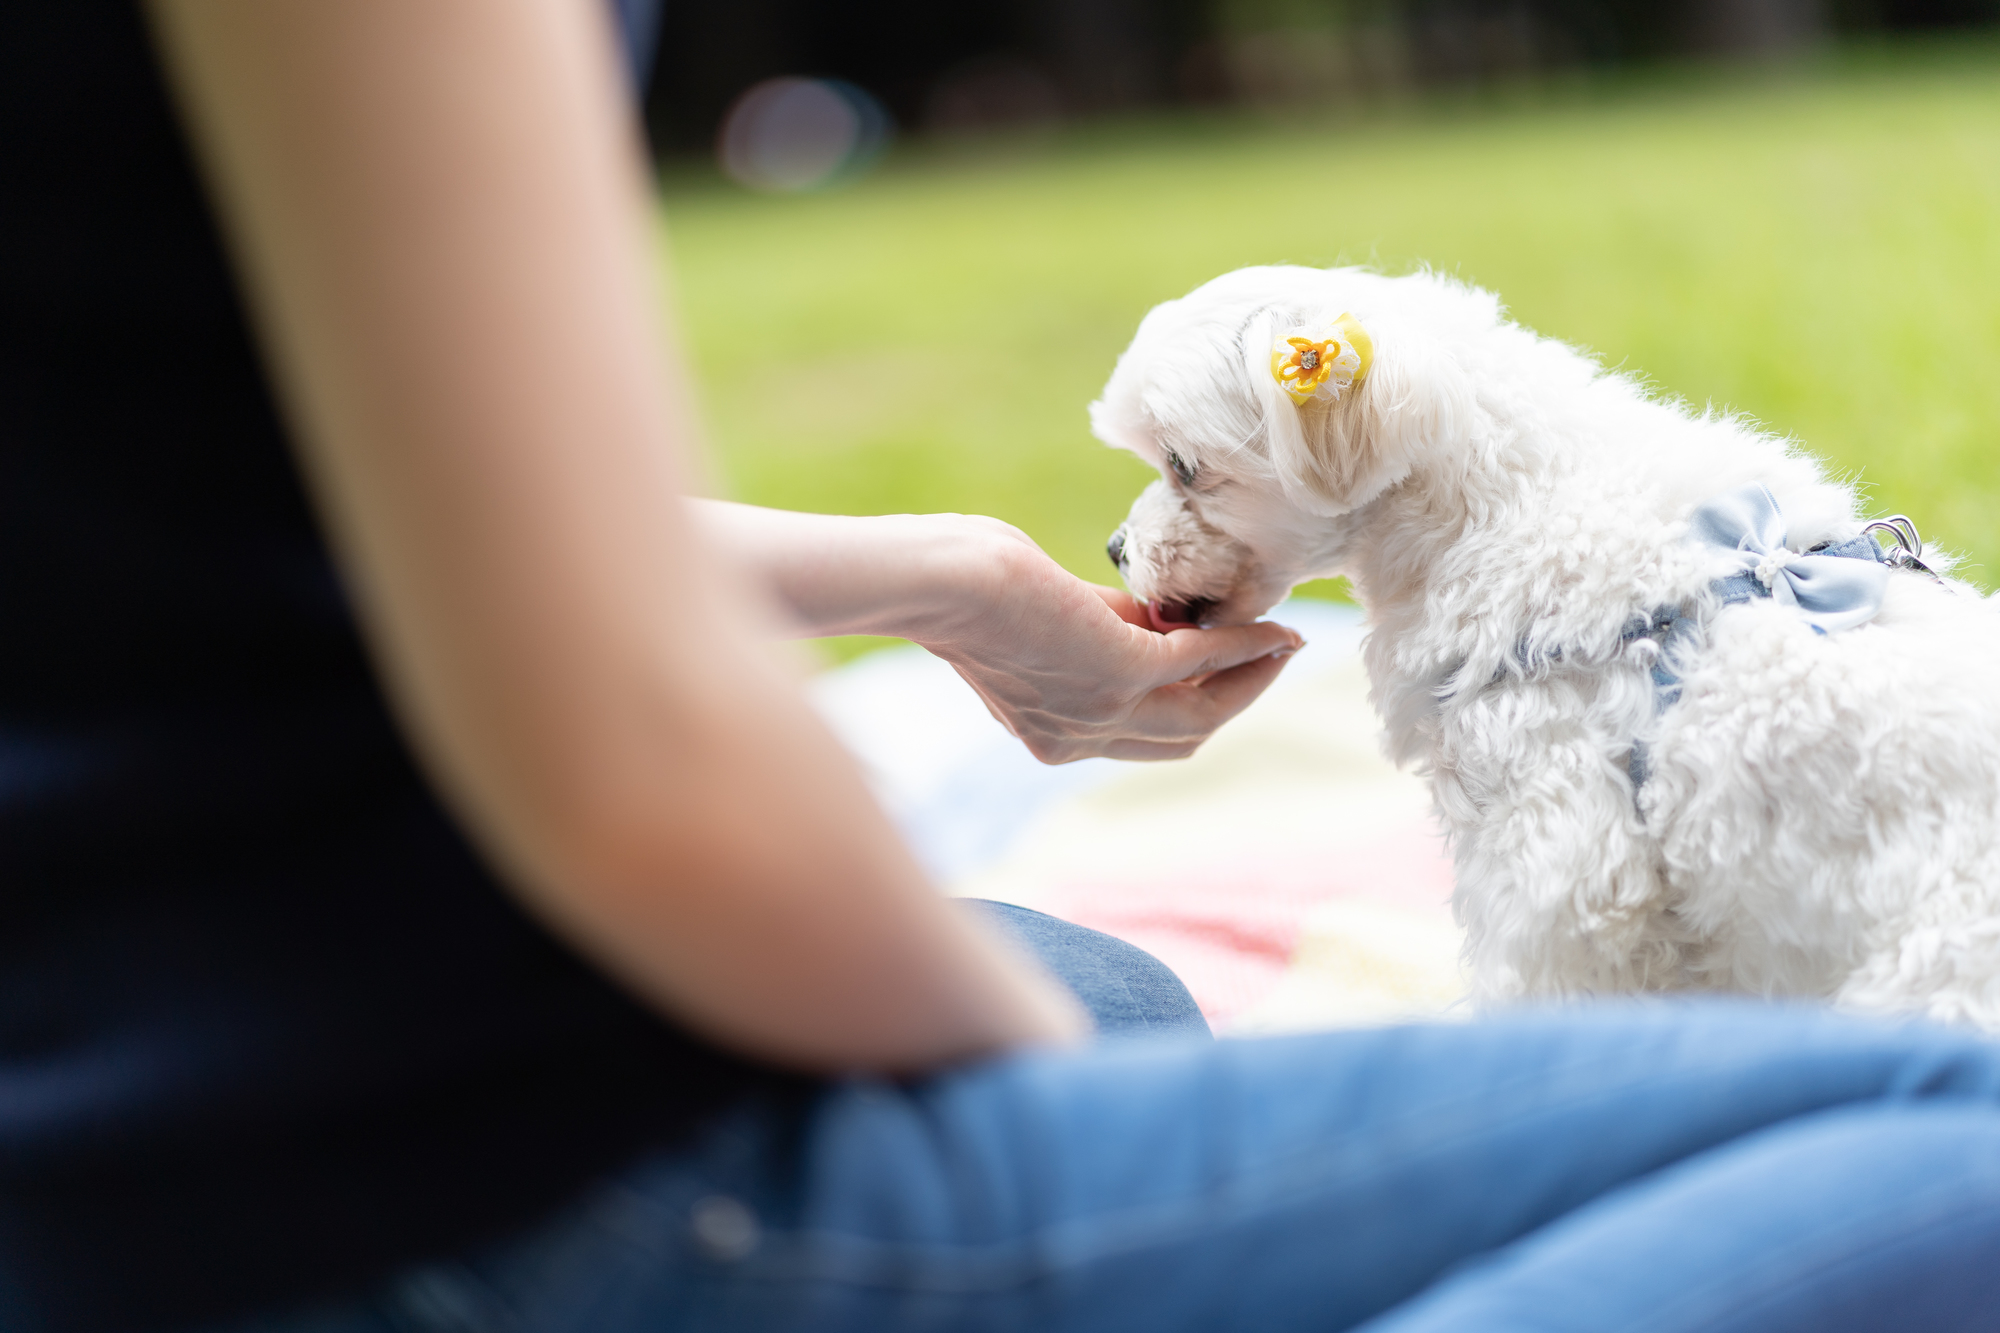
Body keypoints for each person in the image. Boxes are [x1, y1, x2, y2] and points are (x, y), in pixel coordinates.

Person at [3, 5, 2000, 1331]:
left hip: (124, 1085)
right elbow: (638, 778)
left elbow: (287, 530)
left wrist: (949, 582)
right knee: (1953, 1140)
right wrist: (1057, 1152)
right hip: (376, 1184)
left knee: (1115, 980)